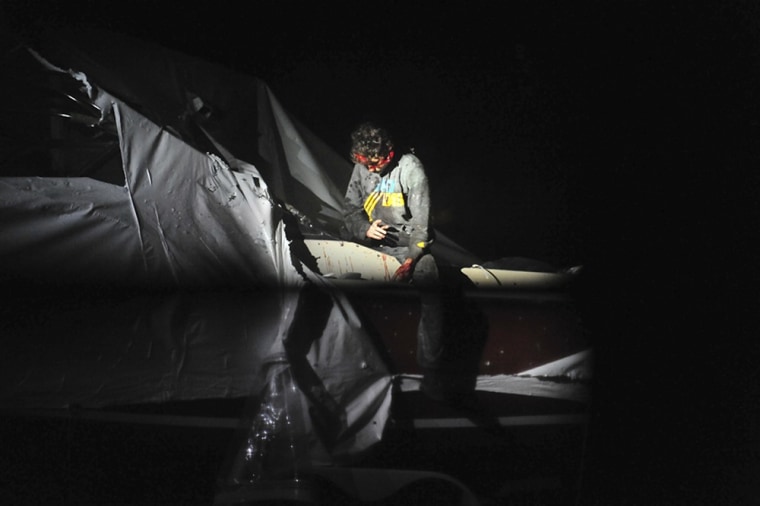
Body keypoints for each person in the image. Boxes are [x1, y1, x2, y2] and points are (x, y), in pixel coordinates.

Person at [341, 122, 449, 400]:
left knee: (430, 279)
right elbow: (350, 211)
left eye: (376, 163)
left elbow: (423, 227)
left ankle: (432, 371)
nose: (372, 170)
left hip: (406, 246)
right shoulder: (362, 168)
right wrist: (364, 229)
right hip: (369, 244)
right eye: (366, 164)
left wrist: (412, 259)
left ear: (389, 153)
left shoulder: (411, 168)